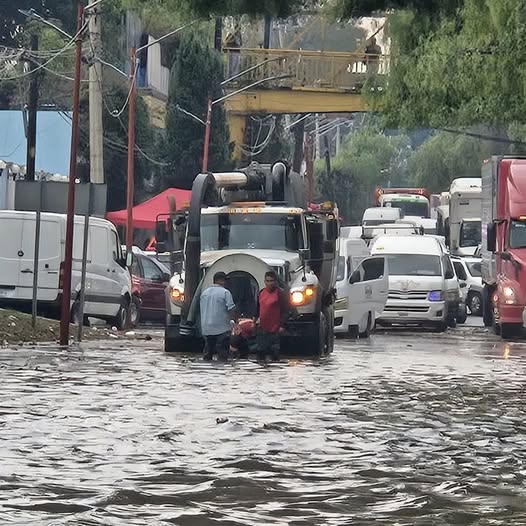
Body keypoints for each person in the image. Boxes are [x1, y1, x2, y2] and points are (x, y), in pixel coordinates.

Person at [200, 272, 237, 361]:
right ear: (220, 280)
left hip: (207, 328)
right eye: (224, 280)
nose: (226, 283)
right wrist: (235, 321)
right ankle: (220, 373)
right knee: (222, 354)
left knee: (208, 353)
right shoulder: (225, 292)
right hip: (222, 329)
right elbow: (231, 309)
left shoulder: (204, 293)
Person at [255, 270, 288, 362]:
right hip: (262, 329)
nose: (270, 283)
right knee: (260, 353)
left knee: (275, 354)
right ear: (264, 281)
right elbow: (257, 309)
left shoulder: (280, 293)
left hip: (275, 329)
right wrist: (255, 320)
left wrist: (282, 325)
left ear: (275, 282)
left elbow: (285, 310)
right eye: (268, 281)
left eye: (272, 281)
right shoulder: (261, 293)